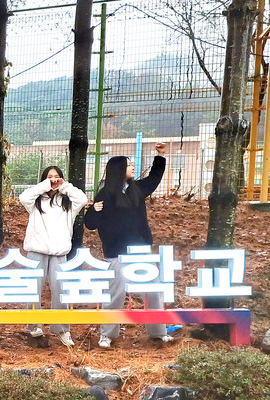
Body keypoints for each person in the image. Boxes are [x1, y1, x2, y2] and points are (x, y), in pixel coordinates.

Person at [84, 143, 173, 348]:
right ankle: (107, 334)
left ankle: (158, 332)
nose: (132, 167)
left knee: (153, 290)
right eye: (128, 165)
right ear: (118, 170)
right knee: (115, 294)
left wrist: (160, 156)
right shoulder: (105, 194)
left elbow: (154, 179)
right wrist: (93, 210)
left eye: (132, 164)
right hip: (117, 253)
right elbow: (91, 224)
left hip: (141, 250)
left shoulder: (137, 189)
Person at [19, 166, 88, 348]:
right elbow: (24, 197)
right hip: (36, 251)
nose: (53, 180)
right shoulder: (35, 201)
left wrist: (64, 186)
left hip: (59, 252)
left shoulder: (68, 202)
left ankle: (62, 329)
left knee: (60, 292)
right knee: (33, 289)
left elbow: (82, 199)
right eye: (49, 177)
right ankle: (34, 325)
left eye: (57, 177)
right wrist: (45, 186)